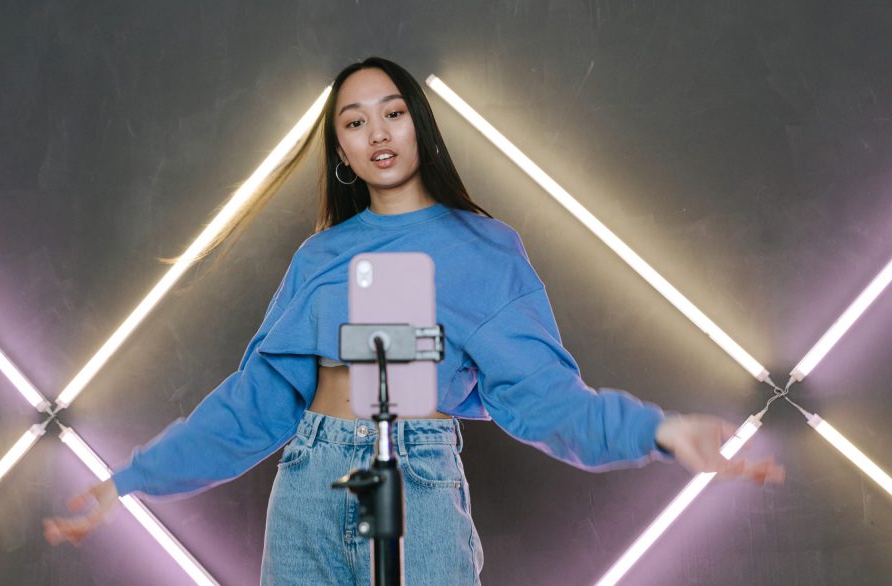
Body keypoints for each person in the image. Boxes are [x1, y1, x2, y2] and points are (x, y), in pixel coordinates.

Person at [44, 57, 783, 584]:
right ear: (341, 150)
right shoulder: (319, 257)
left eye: (393, 111)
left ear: (419, 124)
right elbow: (253, 405)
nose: (378, 132)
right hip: (310, 480)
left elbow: (548, 401)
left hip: (421, 480)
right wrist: (128, 480)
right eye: (354, 122)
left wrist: (658, 432)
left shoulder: (485, 249)